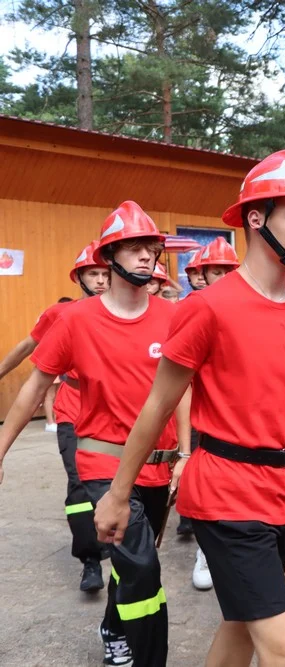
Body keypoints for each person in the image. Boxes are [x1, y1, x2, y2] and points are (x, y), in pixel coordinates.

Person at [93, 149, 285, 667]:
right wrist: (118, 495)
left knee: (239, 627)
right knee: (284, 645)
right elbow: (158, 405)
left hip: (283, 493)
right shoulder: (207, 308)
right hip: (225, 496)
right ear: (256, 219)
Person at [0, 201, 188, 667]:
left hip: (157, 466)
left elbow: (183, 391)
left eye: (152, 248)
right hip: (102, 462)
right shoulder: (75, 321)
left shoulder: (173, 318)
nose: (147, 256)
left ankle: (112, 626)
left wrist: (186, 452)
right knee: (144, 566)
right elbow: (33, 390)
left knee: (131, 566)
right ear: (108, 256)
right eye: (134, 248)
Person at [0, 240, 110, 592]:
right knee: (79, 486)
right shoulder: (61, 314)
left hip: (119, 412)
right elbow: (25, 347)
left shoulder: (133, 312)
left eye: (105, 273)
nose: (101, 281)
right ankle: (90, 560)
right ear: (79, 278)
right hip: (74, 409)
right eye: (93, 274)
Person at [175, 235, 241, 558]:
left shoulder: (246, 310)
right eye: (215, 272)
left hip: (233, 412)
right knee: (199, 470)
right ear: (200, 275)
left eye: (227, 271)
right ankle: (198, 534)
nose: (221, 279)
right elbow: (179, 382)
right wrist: (183, 450)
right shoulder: (191, 309)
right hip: (200, 409)